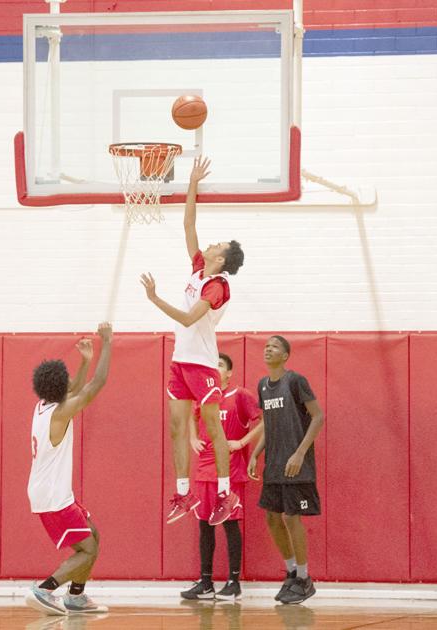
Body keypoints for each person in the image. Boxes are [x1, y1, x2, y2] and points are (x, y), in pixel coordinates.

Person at [140, 156, 245, 526]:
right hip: (180, 361)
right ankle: (183, 494)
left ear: (223, 256)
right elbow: (188, 222)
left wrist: (155, 300)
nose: (211, 243)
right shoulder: (200, 268)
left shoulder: (217, 287)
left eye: (218, 243)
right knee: (175, 427)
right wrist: (192, 182)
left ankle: (224, 493)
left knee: (212, 428)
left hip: (202, 363)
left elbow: (187, 318)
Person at [25, 322, 113, 616]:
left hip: (52, 492)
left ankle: (76, 596)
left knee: (94, 536)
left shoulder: (43, 405)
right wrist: (108, 342)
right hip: (53, 496)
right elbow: (95, 386)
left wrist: (86, 360)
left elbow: (73, 387)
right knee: (87, 549)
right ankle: (45, 589)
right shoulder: (61, 413)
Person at [248, 335, 324, 605]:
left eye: (275, 346)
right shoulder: (263, 386)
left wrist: (300, 453)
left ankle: (304, 579)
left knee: (292, 518)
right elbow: (270, 424)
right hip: (274, 466)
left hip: (296, 466)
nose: (268, 348)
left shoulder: (295, 381)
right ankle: (292, 572)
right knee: (272, 519)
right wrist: (255, 454)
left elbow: (318, 416)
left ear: (286, 355)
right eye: (266, 345)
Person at [181, 352, 263, 601]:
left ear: (228, 372)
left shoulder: (240, 395)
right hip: (205, 470)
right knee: (204, 524)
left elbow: (263, 421)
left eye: (219, 365)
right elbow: (191, 416)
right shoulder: (204, 398)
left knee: (229, 523)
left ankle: (233, 582)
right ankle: (205, 582)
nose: (214, 369)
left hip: (230, 470)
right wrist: (193, 437)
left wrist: (242, 442)